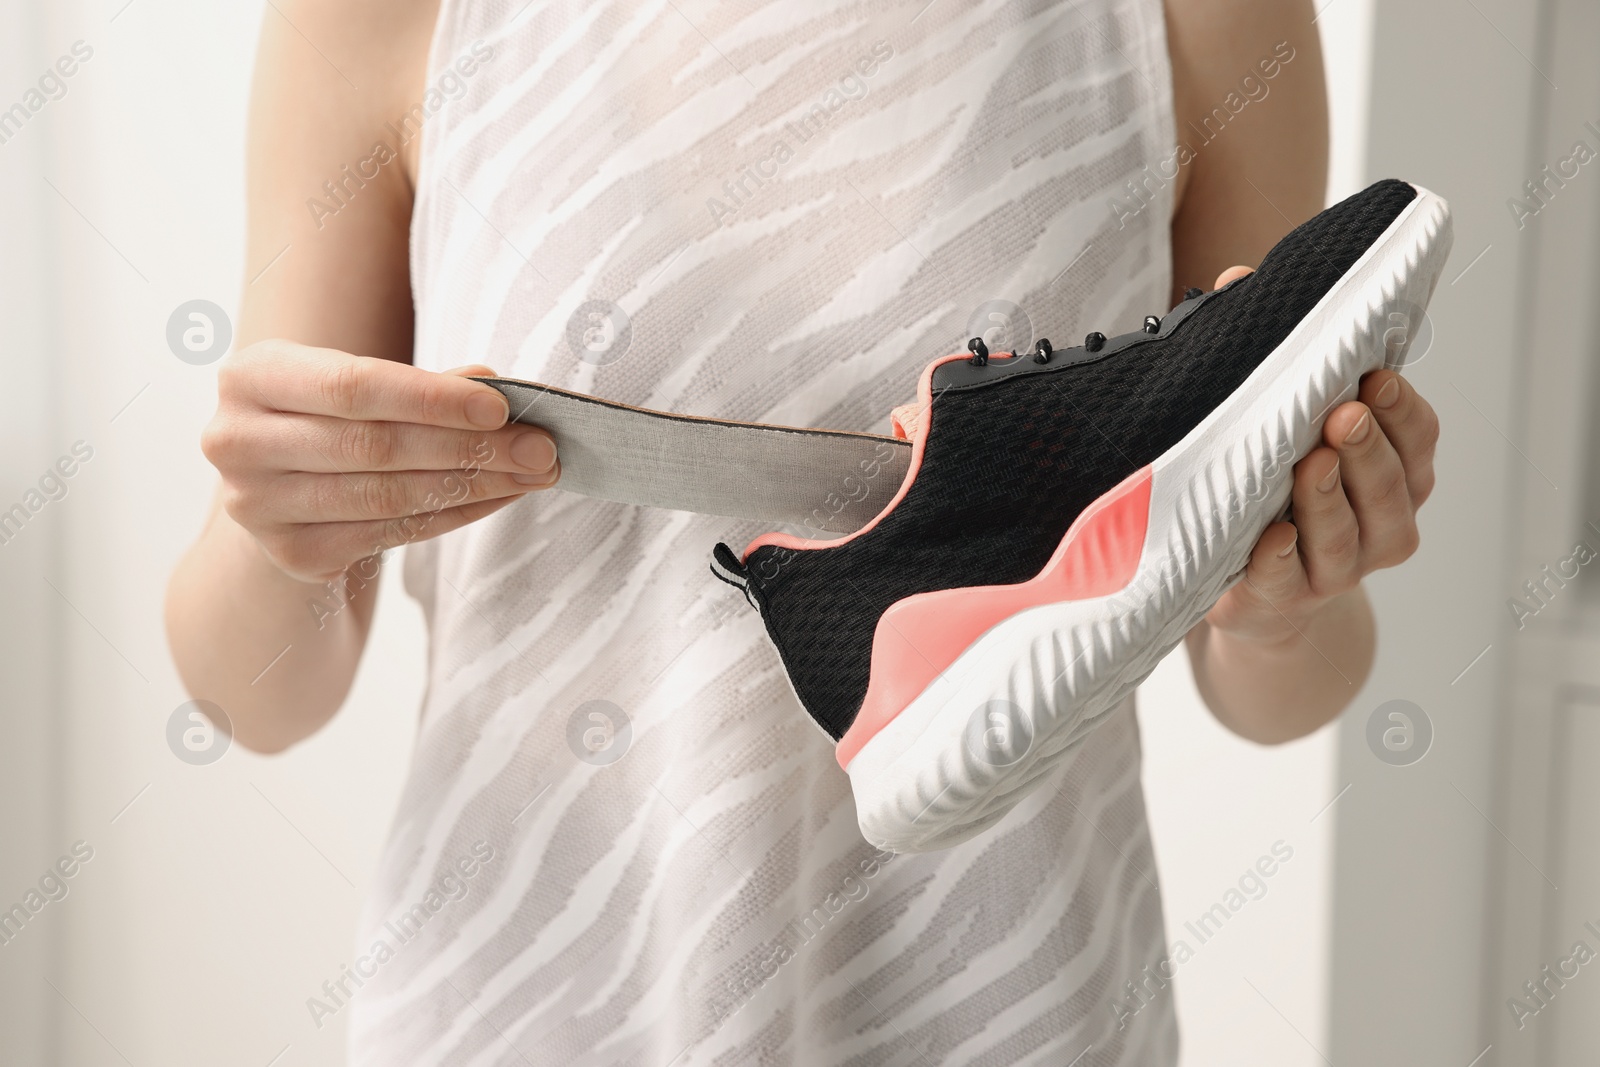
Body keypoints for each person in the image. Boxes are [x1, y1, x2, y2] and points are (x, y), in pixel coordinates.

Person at [165, 0, 1440, 1061]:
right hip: (528, 999)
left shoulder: (1202, 16)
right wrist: (277, 534)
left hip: (1011, 1001)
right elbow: (259, 697)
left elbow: (1281, 692)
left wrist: (1289, 592)